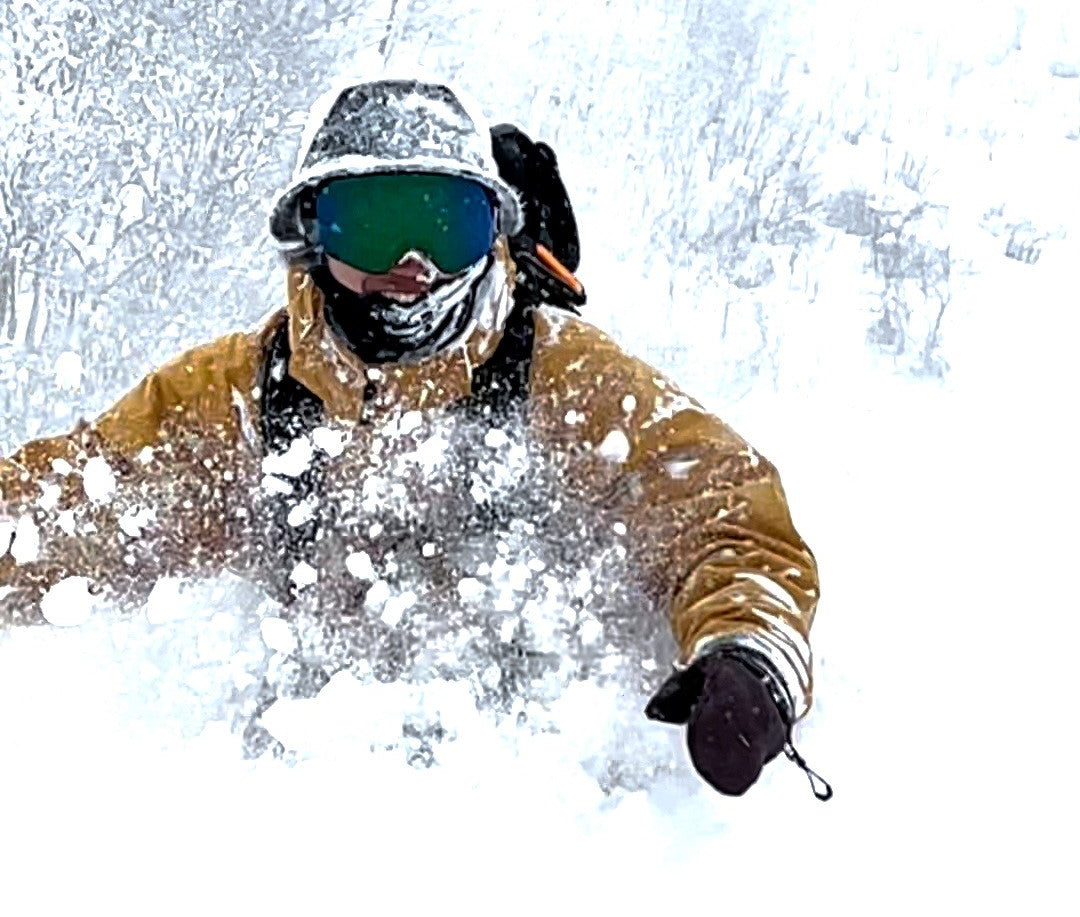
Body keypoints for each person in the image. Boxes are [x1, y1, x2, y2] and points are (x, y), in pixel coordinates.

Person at [0, 78, 826, 797]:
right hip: (298, 802)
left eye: (446, 224)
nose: (412, 265)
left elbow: (720, 512)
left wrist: (747, 653)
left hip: (537, 798)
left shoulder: (559, 378)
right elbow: (70, 510)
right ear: (315, 231)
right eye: (376, 222)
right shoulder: (244, 396)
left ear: (491, 233)